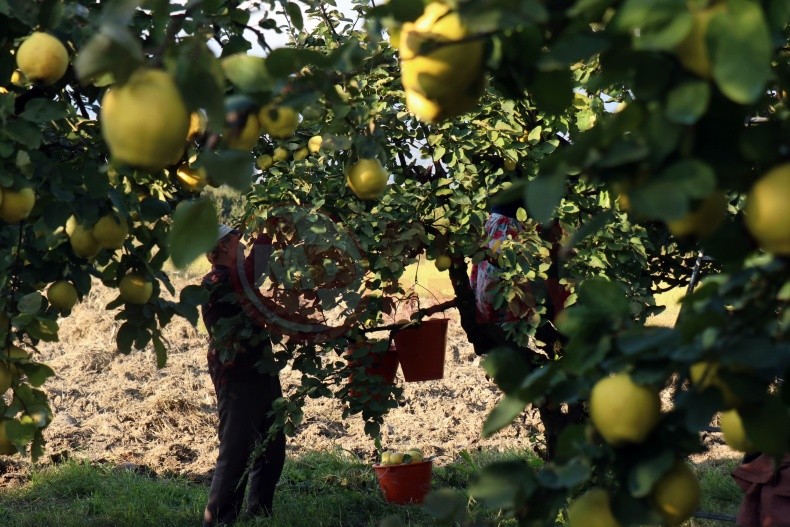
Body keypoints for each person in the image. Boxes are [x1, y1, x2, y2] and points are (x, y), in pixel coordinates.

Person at [200, 224, 286, 526]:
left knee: (272, 446)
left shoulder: (236, 280)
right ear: (224, 246)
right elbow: (254, 270)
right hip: (237, 377)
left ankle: (259, 512)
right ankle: (220, 520)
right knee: (236, 450)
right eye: (238, 237)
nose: (244, 242)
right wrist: (269, 228)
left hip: (261, 368)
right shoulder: (217, 281)